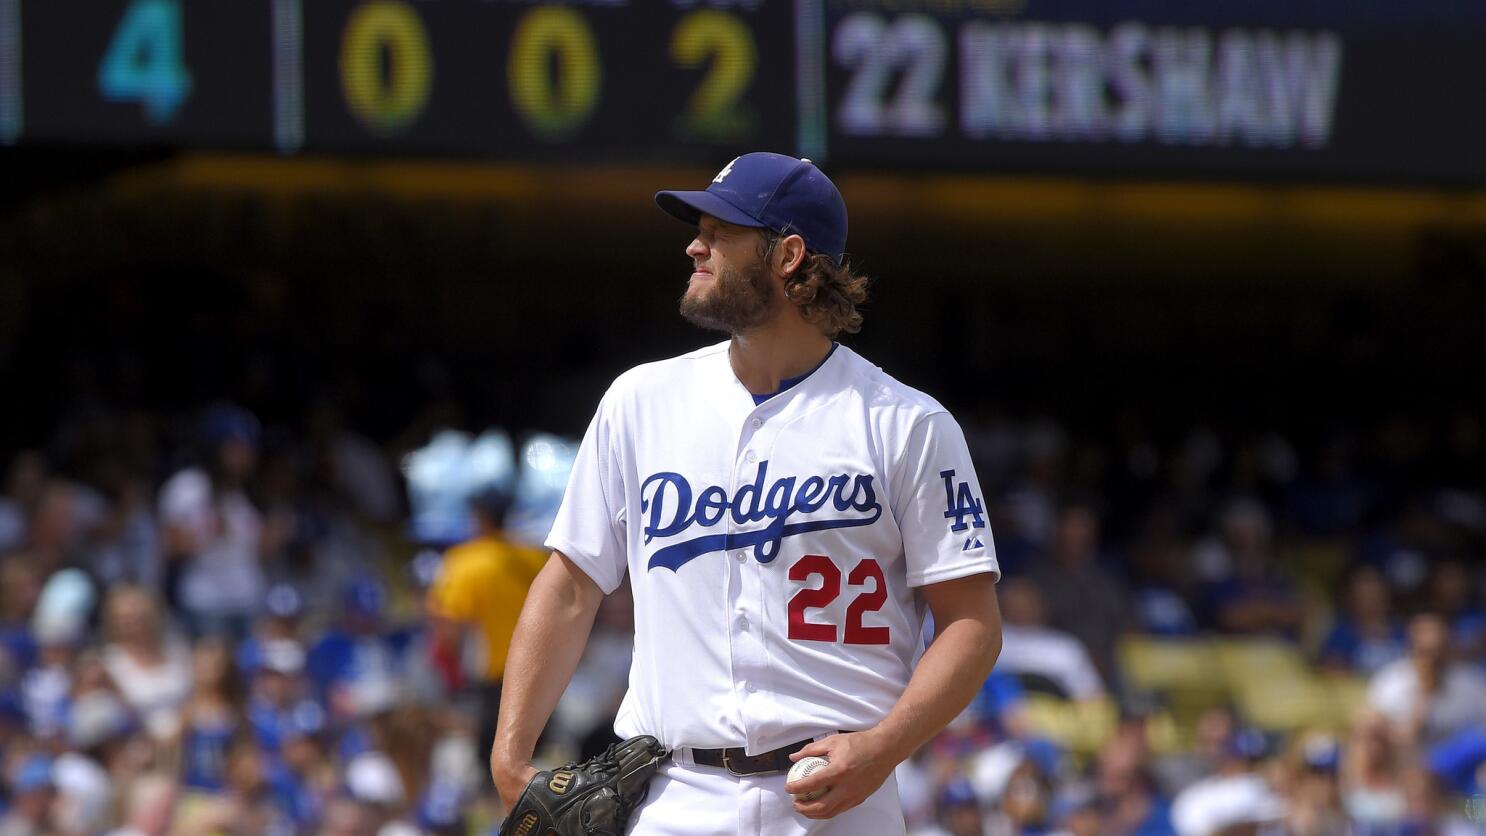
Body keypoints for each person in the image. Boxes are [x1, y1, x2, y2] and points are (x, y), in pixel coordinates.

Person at [491, 153, 1004, 834]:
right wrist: (508, 755)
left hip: (837, 799)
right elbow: (570, 585)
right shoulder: (641, 402)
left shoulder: (905, 423)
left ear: (788, 255)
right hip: (671, 795)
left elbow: (972, 625)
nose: (693, 244)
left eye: (719, 229)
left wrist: (886, 748)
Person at [425, 486, 547, 762]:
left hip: (488, 676)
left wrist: (449, 679)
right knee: (533, 759)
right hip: (538, 671)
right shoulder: (532, 556)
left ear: (480, 517)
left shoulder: (465, 561)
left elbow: (449, 625)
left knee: (490, 760)